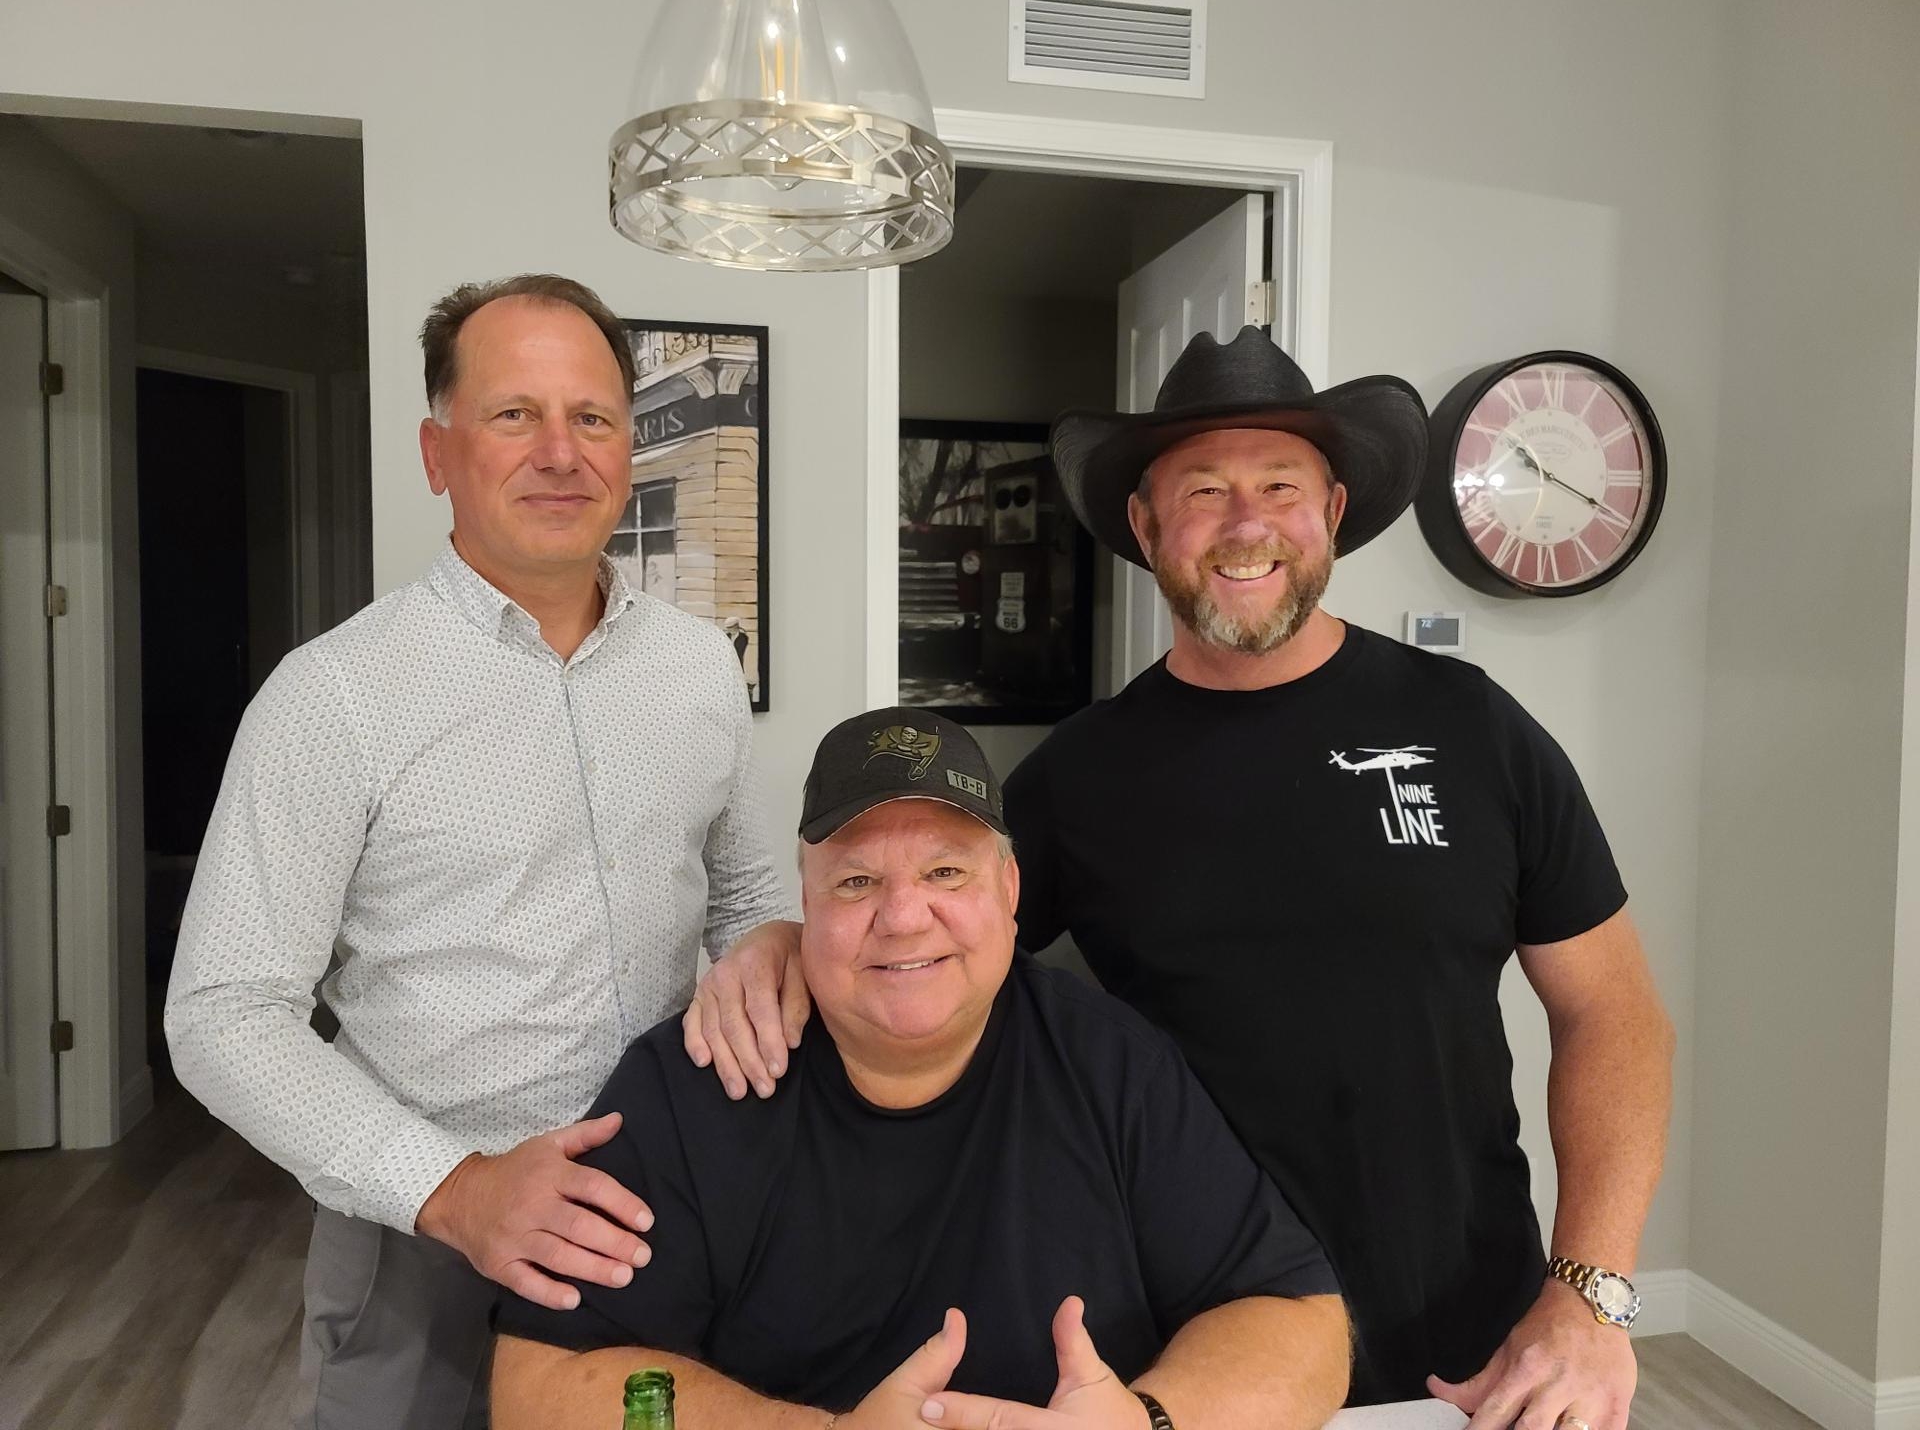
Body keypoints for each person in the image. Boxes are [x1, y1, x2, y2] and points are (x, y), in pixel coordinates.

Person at [686, 330, 1675, 1430]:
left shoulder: (1473, 727)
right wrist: (788, 941)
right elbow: (930, 942)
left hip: (1471, 1356)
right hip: (1194, 1360)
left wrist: (1590, 1294)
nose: (1246, 523)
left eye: (1280, 486)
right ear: (1146, 526)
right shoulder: (1078, 779)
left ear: (1332, 511)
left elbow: (1614, 1012)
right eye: (1204, 490)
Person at [165, 273, 796, 1430]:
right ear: (436, 452)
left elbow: (747, 891)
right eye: (514, 414)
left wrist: (765, 942)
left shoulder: (699, 666)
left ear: (628, 448)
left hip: (666, 1208)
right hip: (427, 1247)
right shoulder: (335, 694)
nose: (560, 452)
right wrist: (455, 1191)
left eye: (592, 417)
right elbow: (222, 1013)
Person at [494, 708, 1349, 1430]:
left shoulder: (1114, 1067)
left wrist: (1150, 1422)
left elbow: (1300, 1321)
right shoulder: (694, 1081)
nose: (904, 917)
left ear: (1009, 892)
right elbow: (539, 1384)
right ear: (805, 904)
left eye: (946, 871)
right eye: (857, 882)